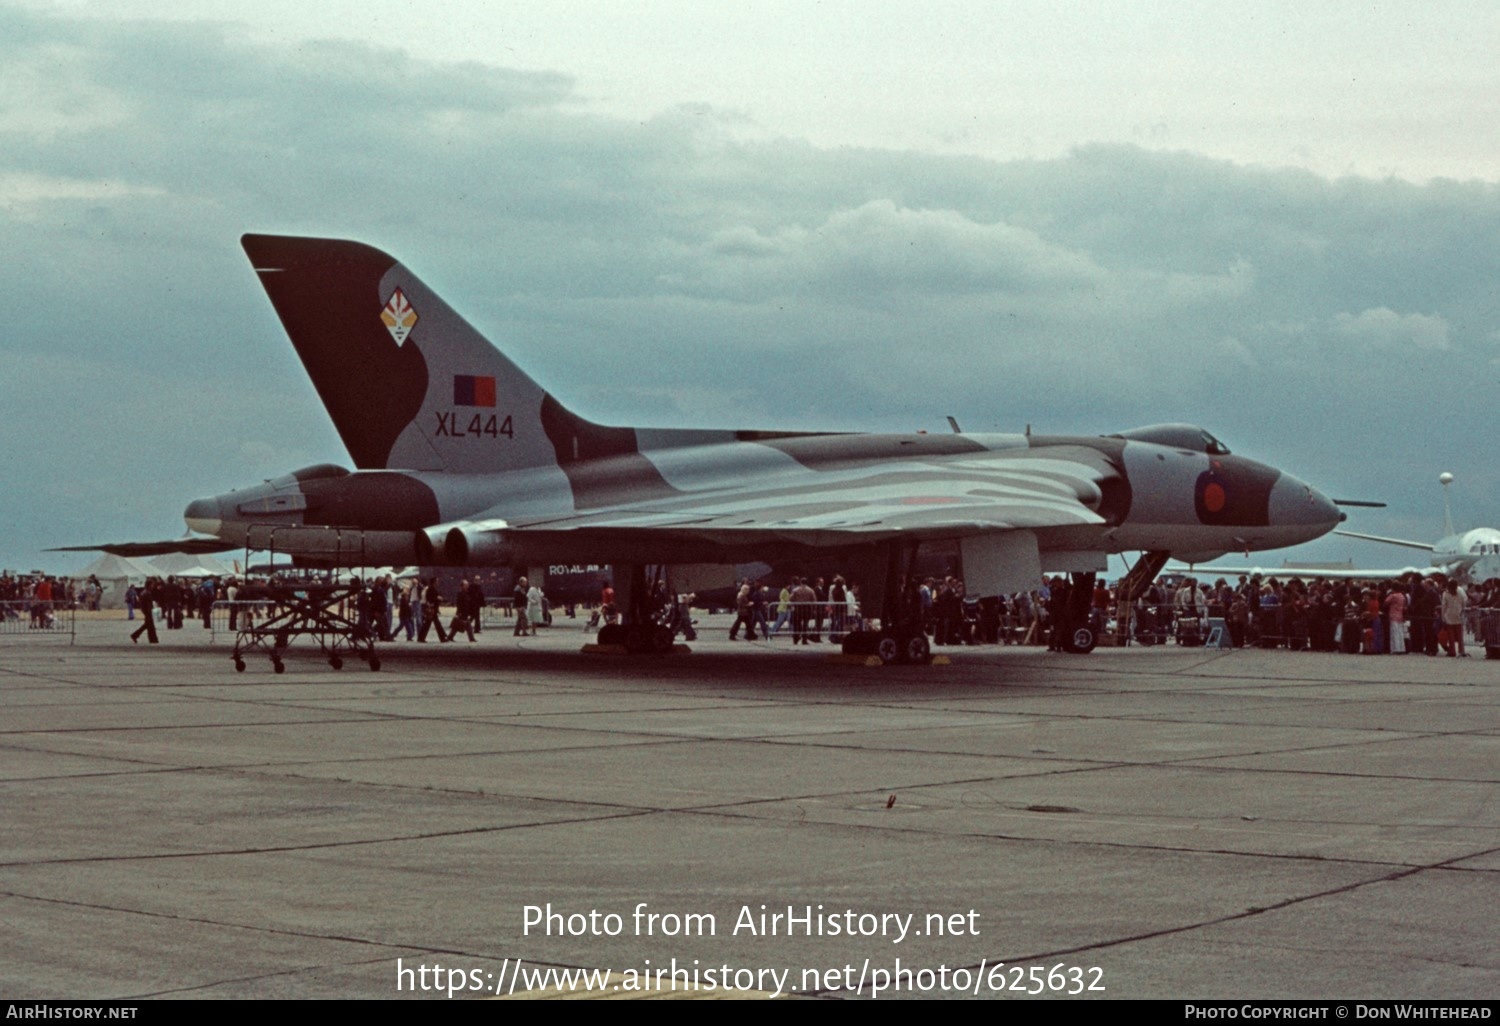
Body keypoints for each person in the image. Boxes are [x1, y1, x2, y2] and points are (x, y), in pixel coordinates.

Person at [130, 579, 159, 644]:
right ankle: (153, 639)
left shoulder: (144, 592)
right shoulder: (147, 593)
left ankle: (136, 635)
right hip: (148, 611)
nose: (153, 586)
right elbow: (148, 604)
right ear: (149, 585)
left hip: (146, 611)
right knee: (149, 626)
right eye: (152, 585)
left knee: (147, 625)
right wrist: (150, 612)